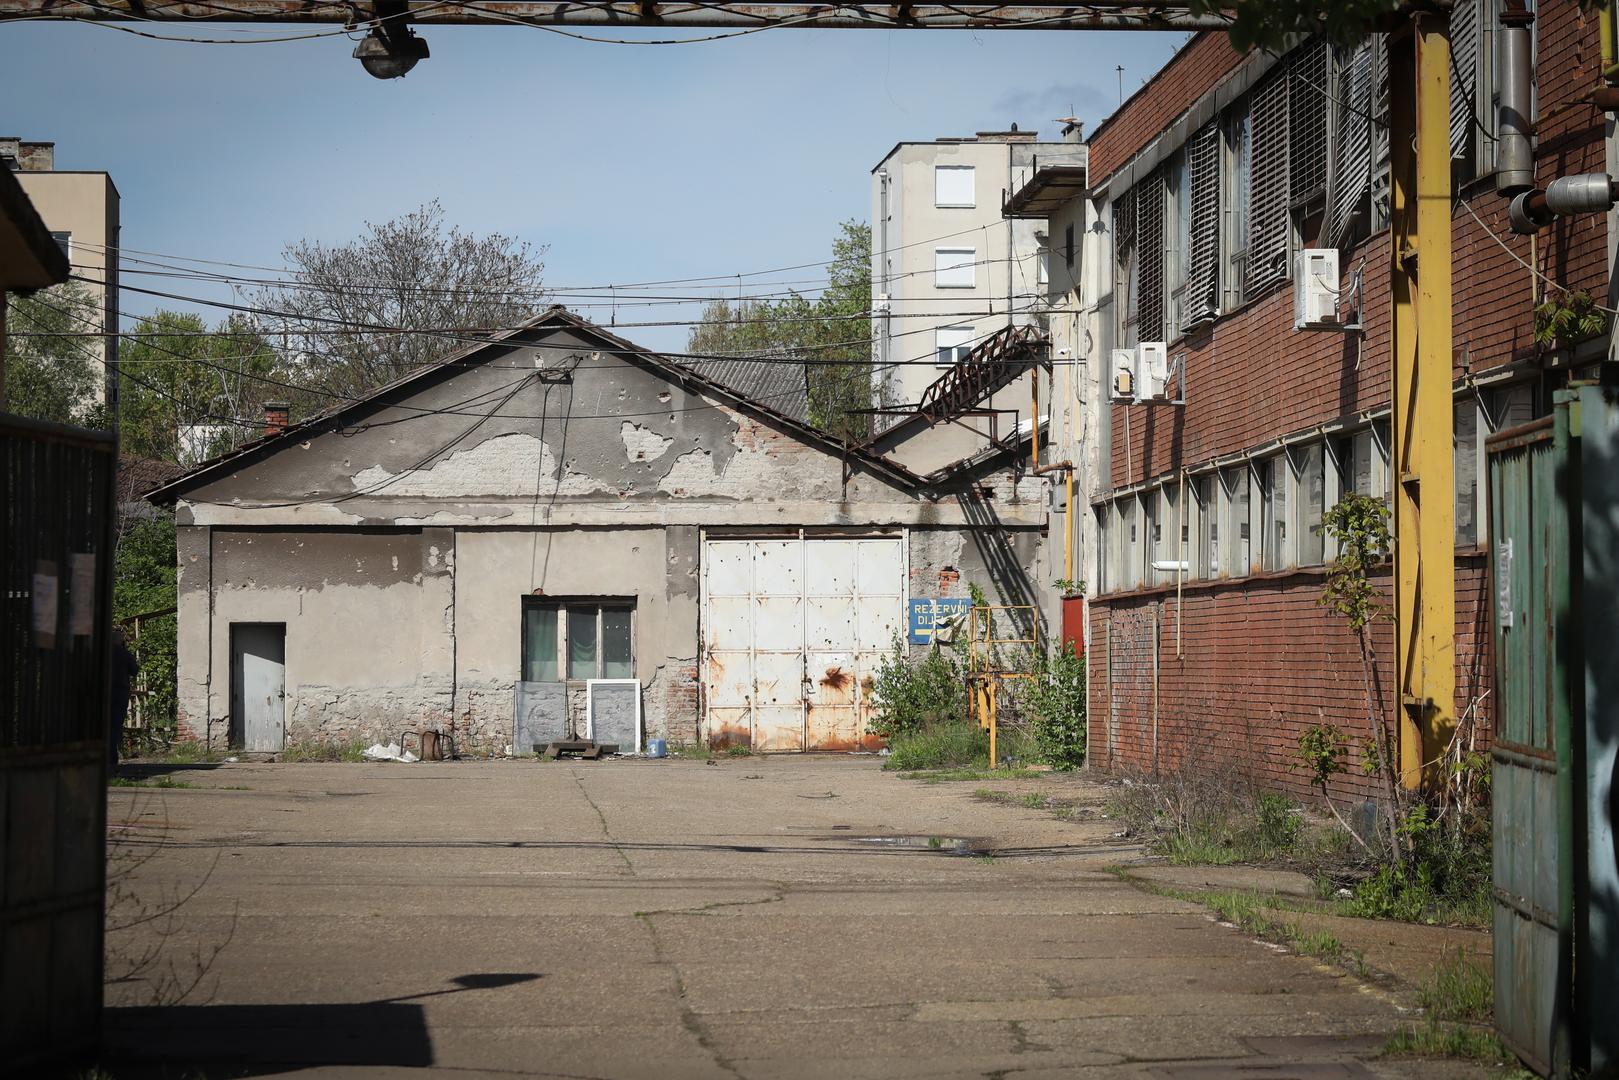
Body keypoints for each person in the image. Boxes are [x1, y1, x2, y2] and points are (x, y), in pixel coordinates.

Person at [109, 628, 139, 772]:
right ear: (121, 641)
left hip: (104, 693)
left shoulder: (102, 653)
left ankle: (104, 756)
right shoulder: (125, 654)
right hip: (120, 693)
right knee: (115, 725)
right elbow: (135, 670)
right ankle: (112, 758)